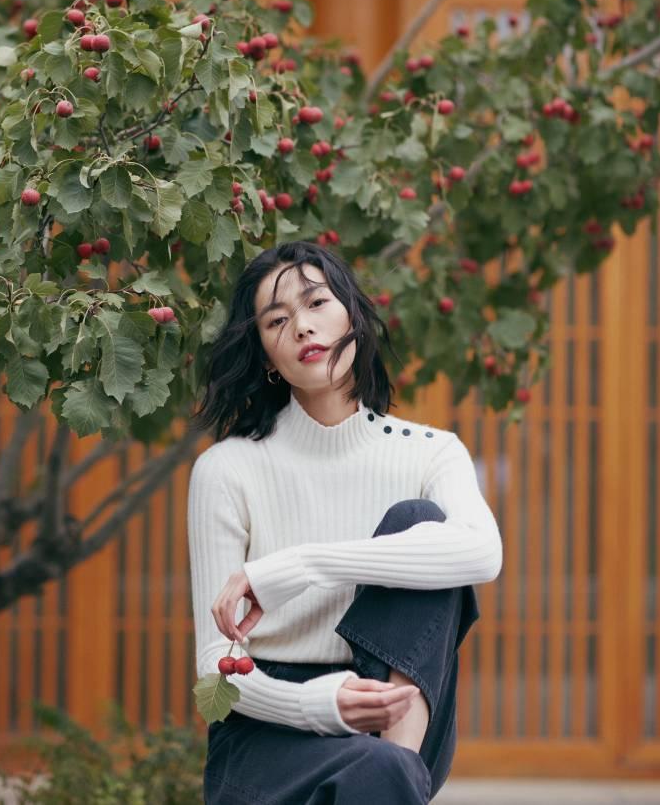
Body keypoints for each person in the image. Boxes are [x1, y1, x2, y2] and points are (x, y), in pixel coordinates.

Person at [187, 240, 503, 804]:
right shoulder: (227, 469)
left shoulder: (430, 453)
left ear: (353, 315)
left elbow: (482, 552)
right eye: (277, 321)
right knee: (377, 771)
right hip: (267, 732)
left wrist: (305, 565)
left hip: (395, 709)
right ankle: (392, 774)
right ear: (266, 357)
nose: (302, 327)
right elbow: (215, 667)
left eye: (316, 303)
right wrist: (318, 705)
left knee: (420, 522)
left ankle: (396, 763)